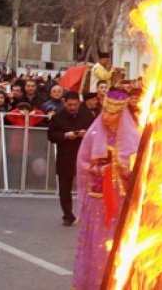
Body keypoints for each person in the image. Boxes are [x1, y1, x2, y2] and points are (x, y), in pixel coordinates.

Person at [72, 90, 140, 289]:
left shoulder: (132, 138)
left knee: (115, 243)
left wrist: (123, 169)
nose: (108, 117)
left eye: (113, 114)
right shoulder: (94, 134)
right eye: (106, 112)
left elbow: (136, 171)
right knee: (95, 245)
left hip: (119, 202)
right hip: (97, 200)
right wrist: (98, 169)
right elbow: (83, 163)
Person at [47, 92, 94, 226]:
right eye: (69, 105)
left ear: (79, 103)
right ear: (64, 103)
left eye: (75, 105)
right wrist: (66, 136)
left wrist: (87, 135)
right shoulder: (57, 117)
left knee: (87, 187)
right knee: (65, 189)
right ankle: (68, 215)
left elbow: (95, 131)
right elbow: (51, 136)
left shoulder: (87, 115)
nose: (72, 107)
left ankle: (87, 214)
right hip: (66, 155)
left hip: (84, 155)